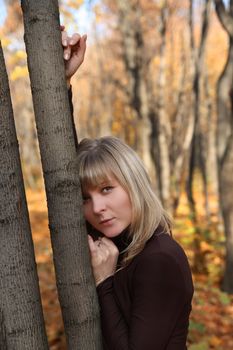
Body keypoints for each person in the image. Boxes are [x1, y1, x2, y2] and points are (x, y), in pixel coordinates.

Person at [63, 28, 194, 350]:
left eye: (107, 189)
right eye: (85, 198)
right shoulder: (115, 242)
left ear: (134, 185)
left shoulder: (158, 259)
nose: (96, 208)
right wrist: (62, 83)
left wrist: (104, 282)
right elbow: (61, 164)